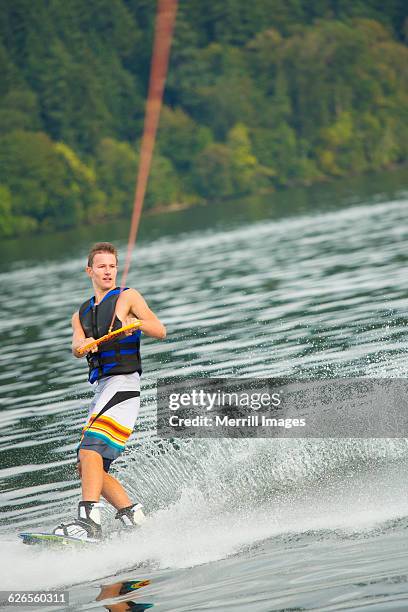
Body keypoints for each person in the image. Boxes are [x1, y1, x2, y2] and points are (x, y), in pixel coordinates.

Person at [53, 242, 166, 541]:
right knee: (87, 465)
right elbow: (77, 346)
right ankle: (133, 517)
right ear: (89, 270)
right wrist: (82, 346)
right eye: (101, 266)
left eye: (112, 266)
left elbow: (160, 329)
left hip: (124, 385)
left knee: (89, 450)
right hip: (103, 389)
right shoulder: (81, 314)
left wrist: (135, 324)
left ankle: (89, 521)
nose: (108, 271)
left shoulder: (127, 297)